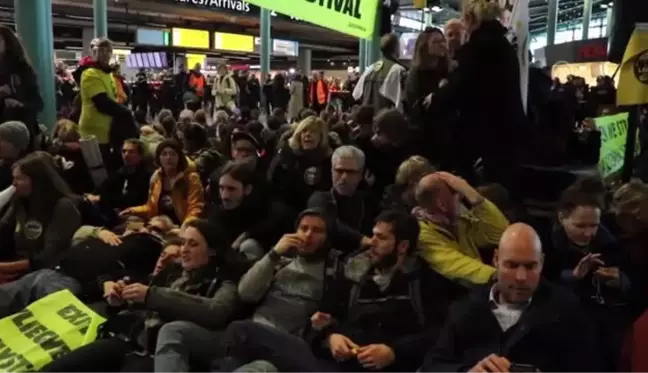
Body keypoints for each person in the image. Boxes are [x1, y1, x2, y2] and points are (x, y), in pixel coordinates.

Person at [40, 219, 243, 373]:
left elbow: (216, 312)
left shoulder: (224, 281)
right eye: (183, 243)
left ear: (213, 251)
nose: (184, 250)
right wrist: (120, 297)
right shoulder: (172, 272)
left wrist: (151, 295)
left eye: (193, 245)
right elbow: (142, 301)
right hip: (130, 339)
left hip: (157, 355)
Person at [420, 223, 600, 373]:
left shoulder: (567, 310)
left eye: (530, 266)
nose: (521, 277)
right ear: (496, 259)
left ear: (542, 262)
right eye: (511, 265)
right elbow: (432, 365)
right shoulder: (465, 307)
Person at [426, 0, 526, 196]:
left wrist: (435, 98)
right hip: (508, 133)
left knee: (483, 194)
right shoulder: (503, 45)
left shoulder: (477, 48)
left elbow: (460, 88)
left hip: (484, 136)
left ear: (471, 19)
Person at [0, 152, 82, 315]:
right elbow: (2, 230)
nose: (14, 184)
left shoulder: (62, 207)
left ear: (37, 181)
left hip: (47, 275)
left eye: (20, 178)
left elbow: (48, 257)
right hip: (16, 270)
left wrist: (4, 267)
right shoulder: (20, 202)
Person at [414, 172, 508, 286]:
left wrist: (477, 199)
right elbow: (460, 266)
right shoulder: (423, 235)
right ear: (442, 204)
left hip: (478, 288)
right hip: (452, 295)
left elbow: (502, 235)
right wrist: (503, 276)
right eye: (456, 192)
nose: (462, 196)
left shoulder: (458, 218)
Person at [77, 38, 134, 169]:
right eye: (100, 50)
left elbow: (114, 98)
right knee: (97, 171)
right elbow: (102, 103)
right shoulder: (89, 73)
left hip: (107, 130)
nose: (104, 53)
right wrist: (125, 112)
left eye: (107, 50)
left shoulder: (107, 74)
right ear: (93, 53)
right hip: (93, 133)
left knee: (108, 167)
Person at [121, 139, 204, 225]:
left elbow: (195, 208)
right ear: (159, 158)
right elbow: (151, 207)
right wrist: (132, 210)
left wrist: (185, 227)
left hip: (181, 225)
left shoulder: (191, 178)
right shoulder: (157, 177)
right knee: (130, 222)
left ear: (179, 157)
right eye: (164, 154)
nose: (168, 157)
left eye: (173, 154)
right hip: (158, 223)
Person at [0, 26, 43, 150]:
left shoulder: (22, 70)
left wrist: (19, 104)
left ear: (8, 43)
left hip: (21, 134)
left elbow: (38, 104)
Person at [353, 33, 406, 112]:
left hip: (367, 122)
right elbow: (401, 104)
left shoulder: (369, 69)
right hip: (386, 122)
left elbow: (356, 95)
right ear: (396, 48)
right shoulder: (398, 71)